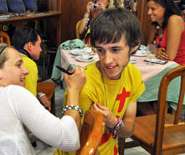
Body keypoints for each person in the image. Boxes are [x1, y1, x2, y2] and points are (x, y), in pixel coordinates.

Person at [0, 44, 87, 154]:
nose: (26, 71)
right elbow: (69, 140)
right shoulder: (12, 93)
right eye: (18, 65)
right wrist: (74, 90)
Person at [56, 8, 145, 155]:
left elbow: (128, 130)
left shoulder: (133, 74)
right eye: (101, 50)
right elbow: (81, 148)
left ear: (134, 45)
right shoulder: (85, 86)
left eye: (115, 49)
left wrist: (113, 122)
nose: (107, 60)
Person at [11, 26, 51, 111]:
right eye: (39, 45)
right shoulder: (29, 65)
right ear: (30, 45)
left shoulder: (9, 55)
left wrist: (39, 94)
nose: (41, 49)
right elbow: (30, 103)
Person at [147, 0, 185, 65]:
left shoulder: (174, 20)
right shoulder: (157, 23)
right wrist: (156, 50)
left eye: (153, 9)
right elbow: (149, 45)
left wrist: (155, 50)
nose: (148, 12)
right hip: (162, 65)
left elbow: (170, 56)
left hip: (178, 69)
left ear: (165, 8)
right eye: (148, 8)